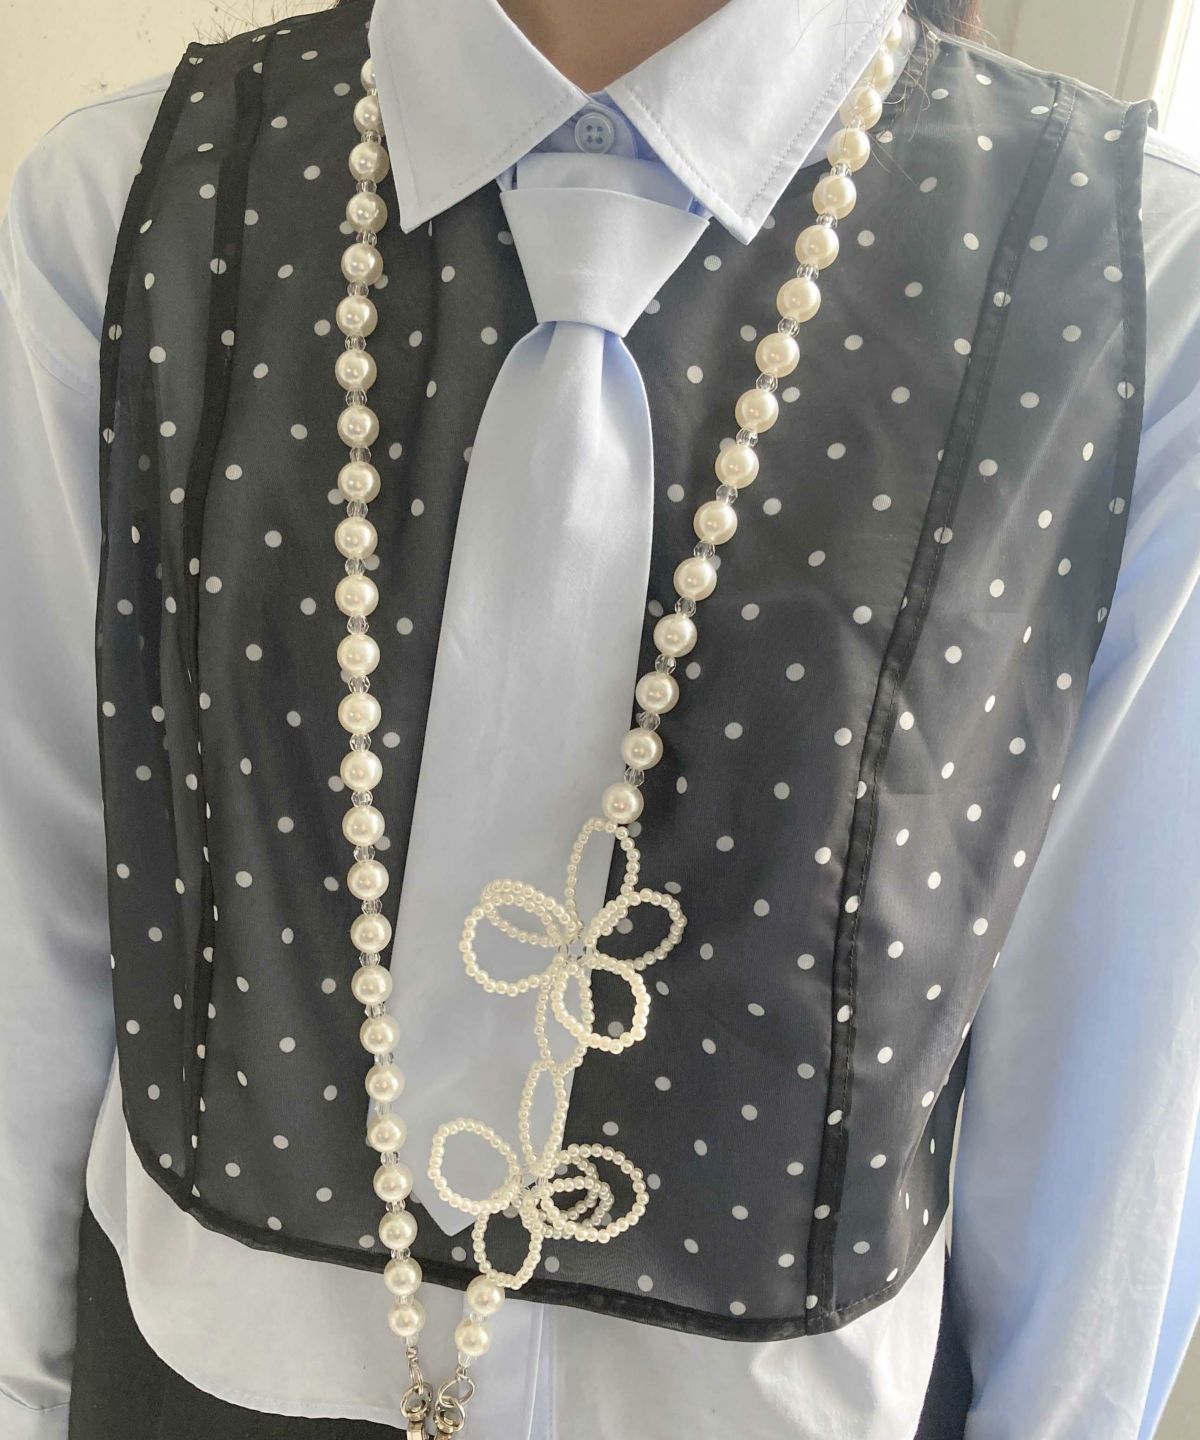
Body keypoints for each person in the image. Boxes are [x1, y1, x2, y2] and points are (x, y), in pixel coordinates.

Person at [1, 0, 1198, 1436]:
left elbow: (1111, 1078)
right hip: (178, 1383)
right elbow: (33, 905)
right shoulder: (130, 210)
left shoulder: (1127, 284)